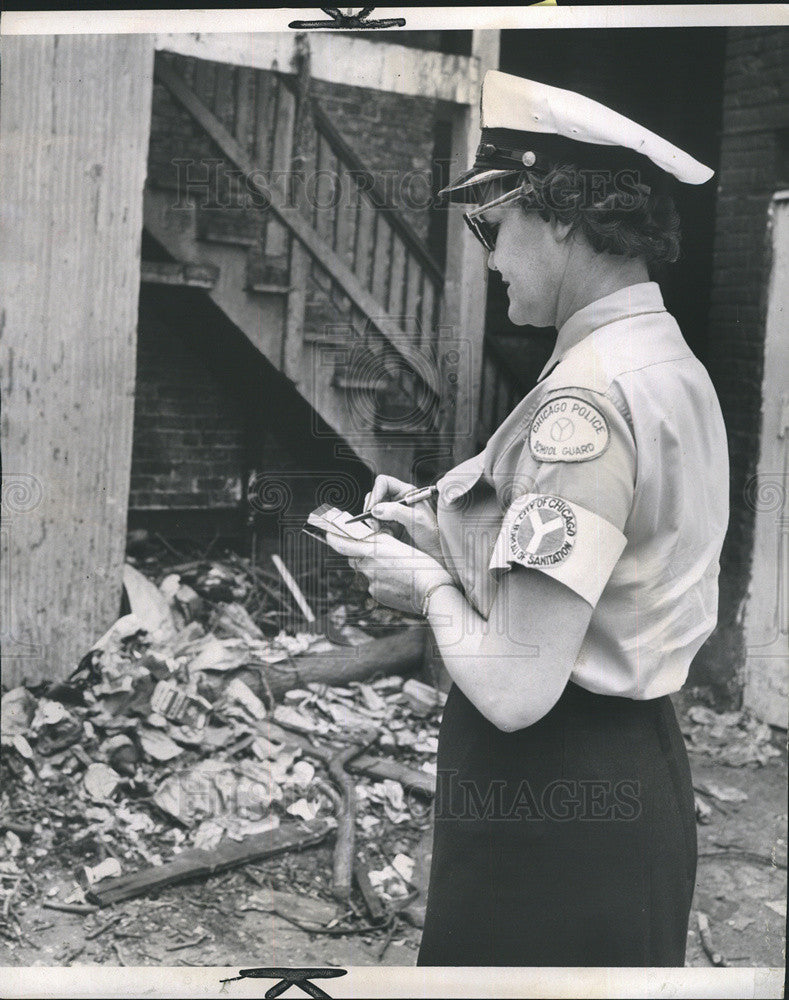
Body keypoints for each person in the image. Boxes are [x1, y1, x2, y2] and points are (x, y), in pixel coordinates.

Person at [323, 70, 729, 967]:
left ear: (562, 215)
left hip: (549, 797)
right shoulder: (666, 364)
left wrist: (424, 583)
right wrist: (438, 524)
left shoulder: (582, 399)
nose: (486, 254)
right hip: (635, 774)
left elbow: (514, 687)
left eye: (491, 226)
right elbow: (620, 559)